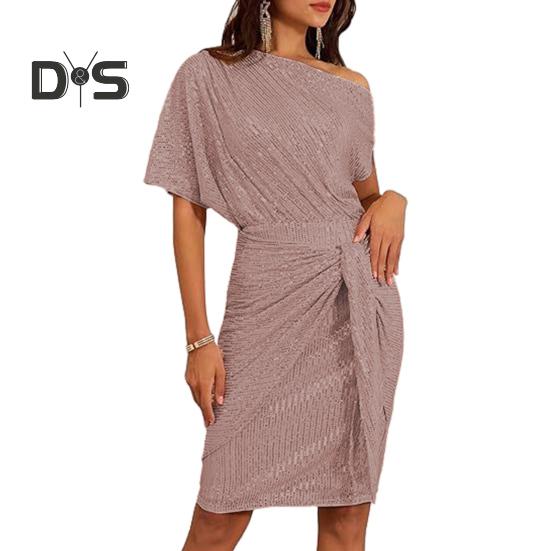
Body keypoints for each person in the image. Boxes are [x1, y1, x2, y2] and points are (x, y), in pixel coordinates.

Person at [144, 1, 407, 549]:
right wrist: (198, 339)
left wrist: (395, 202)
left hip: (356, 301)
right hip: (265, 295)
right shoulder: (207, 75)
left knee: (346, 517)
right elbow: (188, 208)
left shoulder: (351, 87)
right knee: (219, 514)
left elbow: (366, 197)